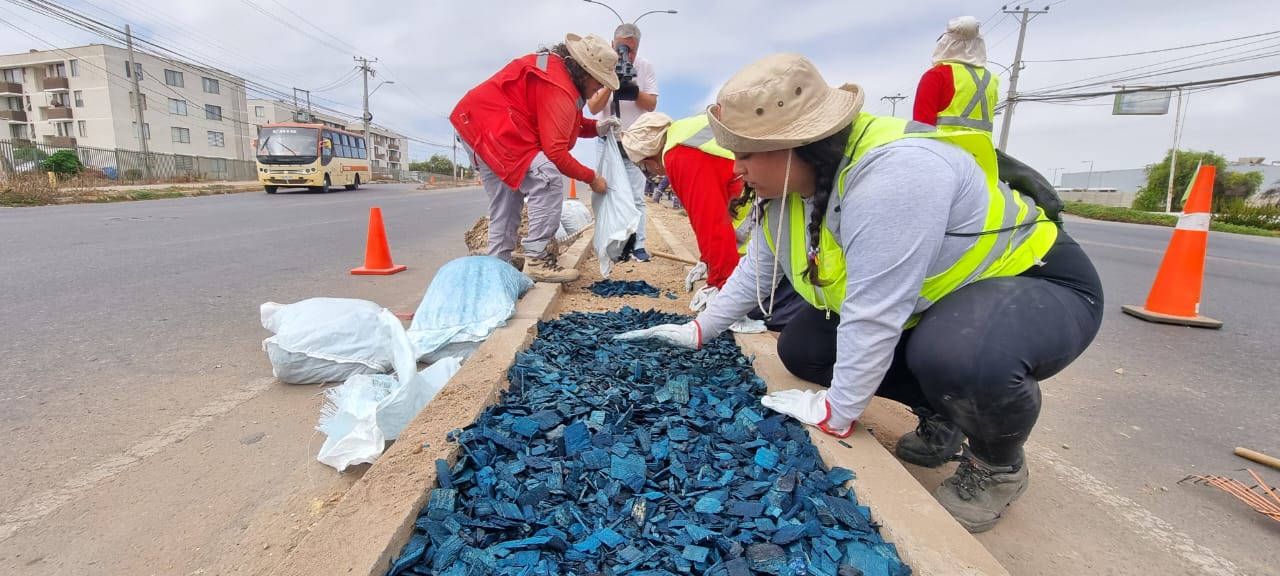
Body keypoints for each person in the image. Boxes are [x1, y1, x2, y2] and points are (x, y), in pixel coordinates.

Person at [615, 53, 1103, 532]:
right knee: (804, 348)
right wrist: (699, 329)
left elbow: (875, 310)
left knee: (959, 355)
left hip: (1028, 282)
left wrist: (838, 411)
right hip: (933, 302)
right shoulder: (789, 186)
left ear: (795, 143)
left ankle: (996, 465)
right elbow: (756, 268)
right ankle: (944, 411)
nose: (736, 169)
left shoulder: (896, 173)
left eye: (744, 154)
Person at [450, 33, 621, 283]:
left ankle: (498, 272)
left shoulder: (559, 74)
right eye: (598, 83)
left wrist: (596, 127)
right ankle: (538, 259)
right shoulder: (559, 86)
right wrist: (592, 178)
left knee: (507, 202)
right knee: (547, 178)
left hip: (475, 122)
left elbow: (563, 122)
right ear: (586, 73)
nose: (599, 90)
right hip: (493, 128)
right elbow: (557, 153)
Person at [620, 111, 805, 330]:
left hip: (778, 212)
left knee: (762, 307)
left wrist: (722, 286)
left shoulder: (679, 157)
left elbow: (713, 224)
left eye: (644, 167)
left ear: (649, 160)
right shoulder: (681, 136)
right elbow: (706, 218)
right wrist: (707, 261)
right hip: (768, 203)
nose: (650, 171)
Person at [588, 23, 660, 262]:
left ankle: (637, 245)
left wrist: (633, 88)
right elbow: (594, 106)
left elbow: (650, 104)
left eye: (631, 50)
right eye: (621, 49)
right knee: (606, 193)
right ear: (611, 45)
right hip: (607, 141)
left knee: (636, 197)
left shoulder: (645, 66)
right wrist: (612, 83)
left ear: (637, 49)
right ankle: (609, 244)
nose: (626, 55)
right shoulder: (602, 65)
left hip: (634, 142)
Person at [914, 16, 999, 135]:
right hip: (983, 152)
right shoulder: (992, 79)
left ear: (946, 42)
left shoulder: (937, 76)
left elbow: (921, 128)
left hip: (944, 150)